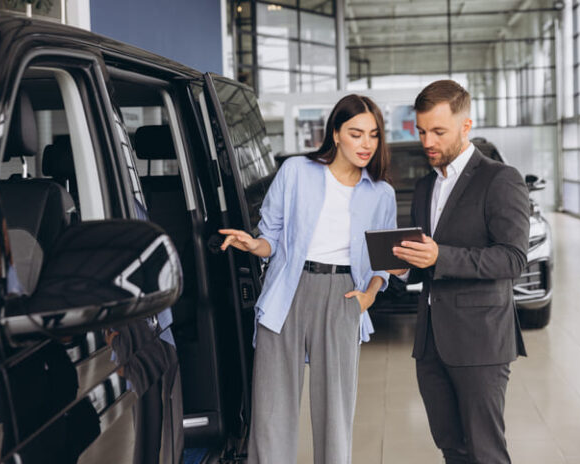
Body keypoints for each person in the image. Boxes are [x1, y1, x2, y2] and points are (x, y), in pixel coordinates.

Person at [220, 94, 397, 464]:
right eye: (356, 133)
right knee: (270, 408)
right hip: (289, 288)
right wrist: (254, 244)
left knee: (335, 410)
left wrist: (370, 295)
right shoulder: (297, 171)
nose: (366, 144)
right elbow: (272, 236)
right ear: (335, 134)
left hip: (343, 294)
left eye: (374, 135)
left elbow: (383, 262)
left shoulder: (381, 193)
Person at [388, 80, 529, 464]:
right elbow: (426, 266)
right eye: (421, 131)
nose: (427, 141)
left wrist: (440, 257)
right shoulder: (423, 187)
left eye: (438, 131)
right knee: (452, 447)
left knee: (486, 452)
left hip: (481, 341)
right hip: (431, 342)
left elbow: (513, 259)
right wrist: (404, 268)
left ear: (466, 126)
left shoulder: (500, 179)